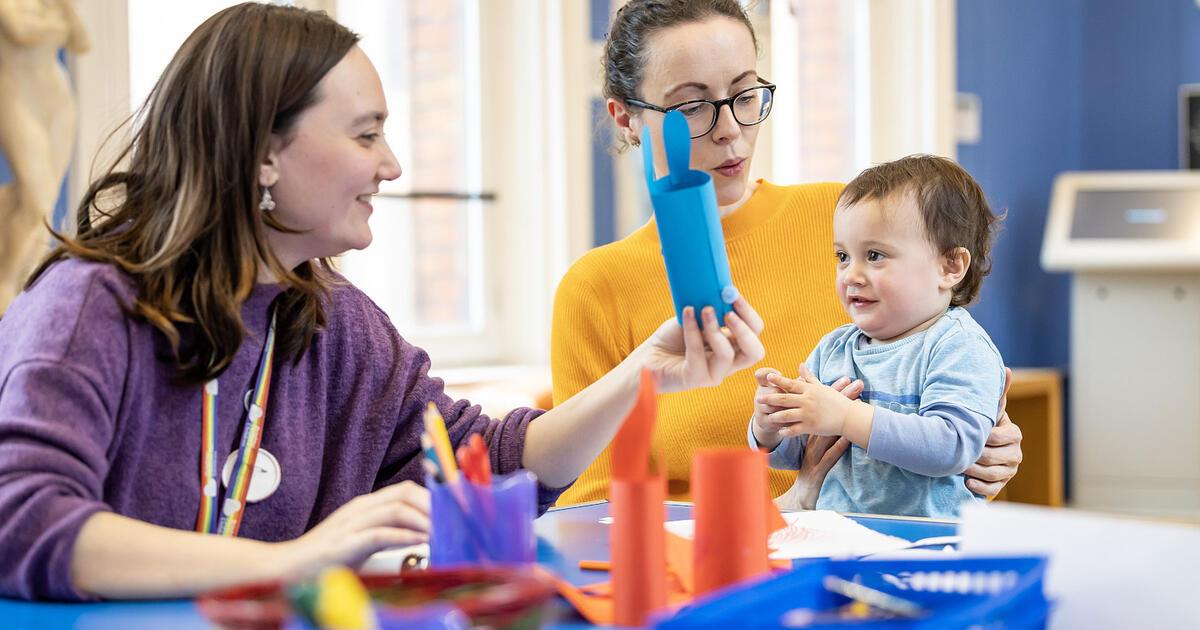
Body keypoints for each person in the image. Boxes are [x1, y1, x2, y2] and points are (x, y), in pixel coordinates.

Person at [0, 3, 765, 601]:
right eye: (366, 135)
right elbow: (21, 521)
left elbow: (487, 467)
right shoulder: (88, 309)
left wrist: (644, 378)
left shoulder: (336, 323)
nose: (392, 165)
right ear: (263, 153)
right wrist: (294, 561)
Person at [551, 0, 1023, 507]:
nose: (730, 128)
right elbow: (592, 513)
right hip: (708, 574)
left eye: (745, 94)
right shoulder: (597, 288)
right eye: (690, 107)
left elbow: (935, 396)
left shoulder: (848, 226)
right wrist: (778, 514)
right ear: (626, 117)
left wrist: (991, 450)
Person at [751, 155, 1005, 519]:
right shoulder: (833, 349)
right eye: (842, 256)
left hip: (927, 549)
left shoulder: (958, 346)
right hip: (836, 538)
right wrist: (770, 426)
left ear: (950, 266)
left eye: (874, 255)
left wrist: (846, 417)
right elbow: (796, 455)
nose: (851, 274)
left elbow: (952, 447)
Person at [0, 0, 89, 314]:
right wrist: (56, 24)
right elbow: (21, 31)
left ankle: (31, 283)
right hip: (16, 96)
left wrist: (63, 9)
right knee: (35, 198)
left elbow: (81, 41)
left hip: (57, 99)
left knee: (44, 202)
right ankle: (5, 286)